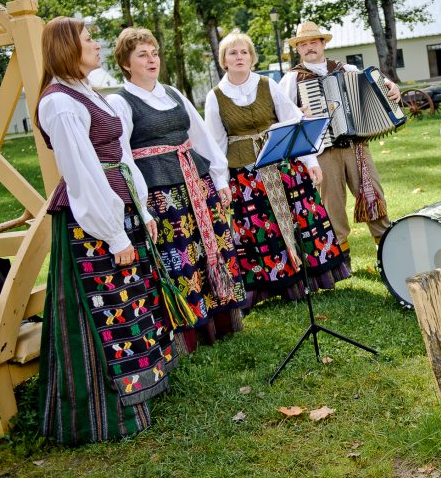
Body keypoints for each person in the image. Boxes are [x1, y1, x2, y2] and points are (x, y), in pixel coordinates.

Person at [35, 17, 183, 445]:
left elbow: (121, 157)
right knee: (106, 313)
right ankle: (106, 410)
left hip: (121, 211)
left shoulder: (85, 92)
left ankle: (143, 389)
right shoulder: (59, 103)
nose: (97, 45)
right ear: (67, 47)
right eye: (88, 40)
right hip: (94, 224)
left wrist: (142, 210)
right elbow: (82, 175)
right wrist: (114, 234)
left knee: (133, 304)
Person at [107, 27, 247, 352]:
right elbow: (123, 156)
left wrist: (220, 178)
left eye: (154, 53)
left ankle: (222, 321)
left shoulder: (171, 93)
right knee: (181, 258)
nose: (152, 59)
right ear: (126, 63)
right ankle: (191, 334)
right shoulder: (120, 101)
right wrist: (141, 205)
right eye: (142, 55)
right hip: (162, 191)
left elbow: (200, 136)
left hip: (196, 181)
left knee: (213, 250)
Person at [204, 30, 350, 307]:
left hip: (282, 165)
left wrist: (311, 162)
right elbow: (216, 145)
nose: (239, 57)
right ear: (224, 60)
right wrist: (221, 183)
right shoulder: (216, 96)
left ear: (251, 57)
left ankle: (314, 278)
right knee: (262, 229)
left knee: (302, 220)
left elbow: (294, 121)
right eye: (232, 53)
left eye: (244, 52)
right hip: (245, 176)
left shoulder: (266, 85)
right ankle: (278, 286)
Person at [278, 21, 401, 263]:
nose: (309, 47)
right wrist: (299, 113)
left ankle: (387, 255)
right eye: (303, 44)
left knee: (372, 196)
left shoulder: (347, 69)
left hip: (357, 146)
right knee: (332, 205)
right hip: (323, 149)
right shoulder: (292, 79)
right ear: (298, 49)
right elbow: (281, 114)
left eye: (314, 42)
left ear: (323, 44)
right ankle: (341, 262)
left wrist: (392, 87)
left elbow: (376, 88)